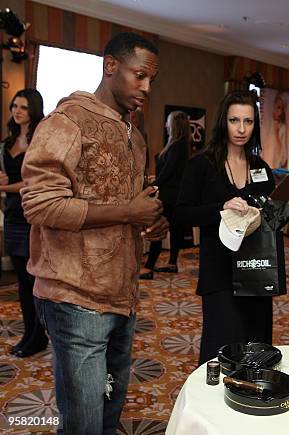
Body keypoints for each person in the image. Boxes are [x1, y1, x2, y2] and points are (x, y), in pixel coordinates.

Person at [21, 32, 167, 434]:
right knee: (82, 423)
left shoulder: (135, 136)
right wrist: (127, 210)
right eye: (139, 76)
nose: (146, 88)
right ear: (110, 65)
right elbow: (39, 205)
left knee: (106, 413)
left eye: (151, 79)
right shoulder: (66, 122)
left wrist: (149, 222)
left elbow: (131, 210)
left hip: (123, 295)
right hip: (74, 296)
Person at [174, 90, 275, 365]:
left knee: (256, 349)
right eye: (234, 121)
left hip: (257, 270)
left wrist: (277, 212)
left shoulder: (261, 169)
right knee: (220, 351)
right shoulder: (202, 165)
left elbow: (270, 217)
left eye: (248, 121)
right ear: (223, 122)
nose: (241, 129)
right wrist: (221, 209)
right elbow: (181, 213)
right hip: (219, 273)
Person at [0, 89, 47, 358]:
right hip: (13, 216)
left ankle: (39, 336)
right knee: (21, 280)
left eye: (24, 107)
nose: (17, 111)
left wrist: (6, 188)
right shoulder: (7, 143)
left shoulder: (39, 140)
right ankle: (30, 332)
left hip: (31, 217)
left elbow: (34, 182)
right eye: (15, 106)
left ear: (34, 111)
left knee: (34, 281)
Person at [140, 111, 192, 279]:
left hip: (172, 196)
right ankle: (171, 263)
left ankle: (148, 267)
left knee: (158, 228)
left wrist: (151, 187)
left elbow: (168, 172)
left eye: (168, 122)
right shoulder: (178, 144)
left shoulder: (179, 146)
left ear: (174, 125)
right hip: (173, 194)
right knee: (173, 230)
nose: (165, 125)